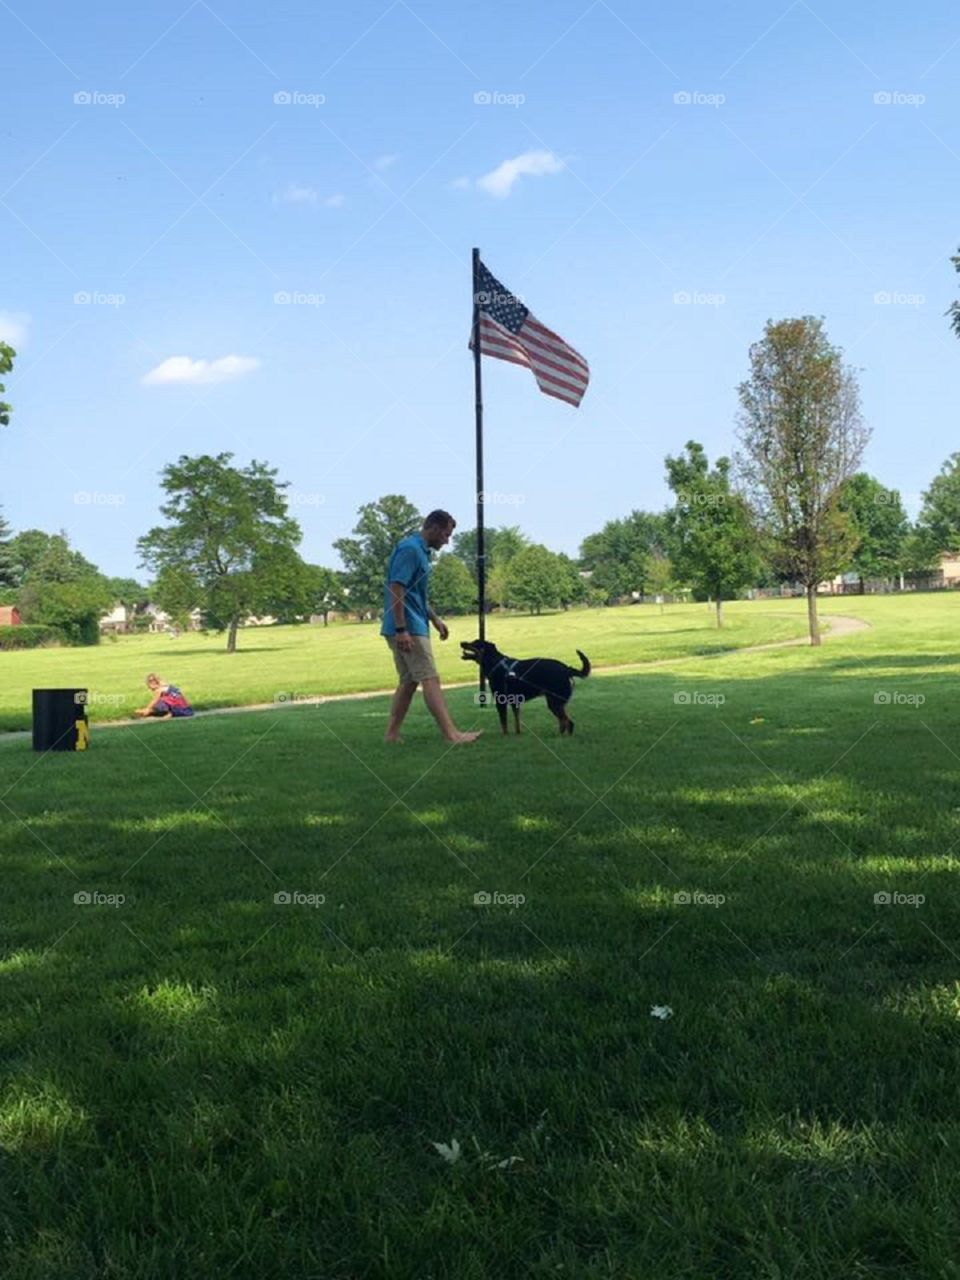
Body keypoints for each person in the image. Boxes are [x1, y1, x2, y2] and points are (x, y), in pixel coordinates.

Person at [382, 509, 481, 745]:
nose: (447, 540)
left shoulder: (421, 552)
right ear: (434, 528)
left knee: (408, 682)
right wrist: (401, 629)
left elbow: (415, 593)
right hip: (408, 627)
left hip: (412, 623)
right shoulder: (410, 550)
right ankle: (452, 735)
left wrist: (435, 619)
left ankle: (391, 735)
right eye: (446, 535)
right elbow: (396, 589)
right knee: (430, 678)